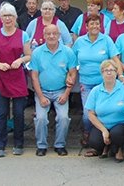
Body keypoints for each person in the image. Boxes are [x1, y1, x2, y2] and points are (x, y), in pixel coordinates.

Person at [0, 3, 32, 157]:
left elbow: (29, 55)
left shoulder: (22, 34)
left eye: (10, 15)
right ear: (1, 18)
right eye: (4, 16)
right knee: (2, 112)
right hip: (1, 76)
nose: (7, 18)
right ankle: (0, 145)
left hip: (18, 76)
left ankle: (19, 143)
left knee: (18, 112)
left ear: (15, 17)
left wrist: (20, 61)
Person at [72, 14, 123, 150]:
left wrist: (121, 74)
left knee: (106, 112)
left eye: (97, 24)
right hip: (86, 83)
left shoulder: (106, 40)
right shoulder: (79, 42)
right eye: (91, 24)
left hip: (105, 85)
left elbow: (115, 59)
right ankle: (88, 133)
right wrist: (69, 76)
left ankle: (106, 139)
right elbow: (72, 61)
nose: (95, 26)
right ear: (86, 27)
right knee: (88, 116)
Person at [29, 24, 76, 157]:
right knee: (41, 118)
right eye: (48, 34)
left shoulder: (68, 52)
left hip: (61, 90)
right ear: (44, 36)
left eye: (54, 33)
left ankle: (60, 145)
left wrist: (66, 94)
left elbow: (72, 74)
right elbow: (34, 77)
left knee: (63, 118)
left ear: (59, 36)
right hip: (42, 91)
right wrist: (41, 96)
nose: (51, 36)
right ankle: (41, 145)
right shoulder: (37, 53)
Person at [85, 59, 124, 162]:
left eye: (112, 70)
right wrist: (104, 130)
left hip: (121, 123)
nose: (109, 72)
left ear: (117, 72)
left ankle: (117, 149)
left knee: (116, 134)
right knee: (94, 142)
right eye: (106, 70)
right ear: (102, 73)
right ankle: (106, 146)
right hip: (103, 124)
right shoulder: (95, 91)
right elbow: (91, 114)